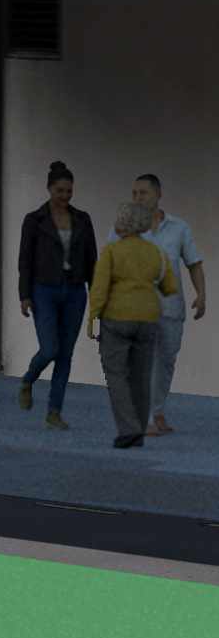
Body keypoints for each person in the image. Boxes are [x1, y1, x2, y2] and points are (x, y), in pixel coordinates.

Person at [18, 162, 98, 428]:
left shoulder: (83, 219)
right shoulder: (34, 220)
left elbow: (91, 260)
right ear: (49, 189)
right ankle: (29, 378)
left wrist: (96, 295)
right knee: (50, 348)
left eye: (69, 191)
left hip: (75, 290)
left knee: (65, 354)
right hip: (44, 290)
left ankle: (54, 411)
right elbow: (25, 260)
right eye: (60, 190)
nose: (65, 196)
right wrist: (24, 295)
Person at [95, 202, 179, 448]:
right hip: (148, 318)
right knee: (142, 376)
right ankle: (140, 431)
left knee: (117, 374)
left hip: (117, 318)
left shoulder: (111, 251)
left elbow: (100, 290)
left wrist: (92, 318)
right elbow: (170, 287)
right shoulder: (156, 252)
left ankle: (128, 429)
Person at [134, 172, 205, 438]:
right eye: (135, 193)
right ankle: (147, 417)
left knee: (166, 361)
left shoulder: (179, 228)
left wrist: (202, 294)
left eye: (143, 193)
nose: (138, 198)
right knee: (147, 360)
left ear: (158, 194)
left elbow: (194, 263)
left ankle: (158, 411)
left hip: (172, 307)